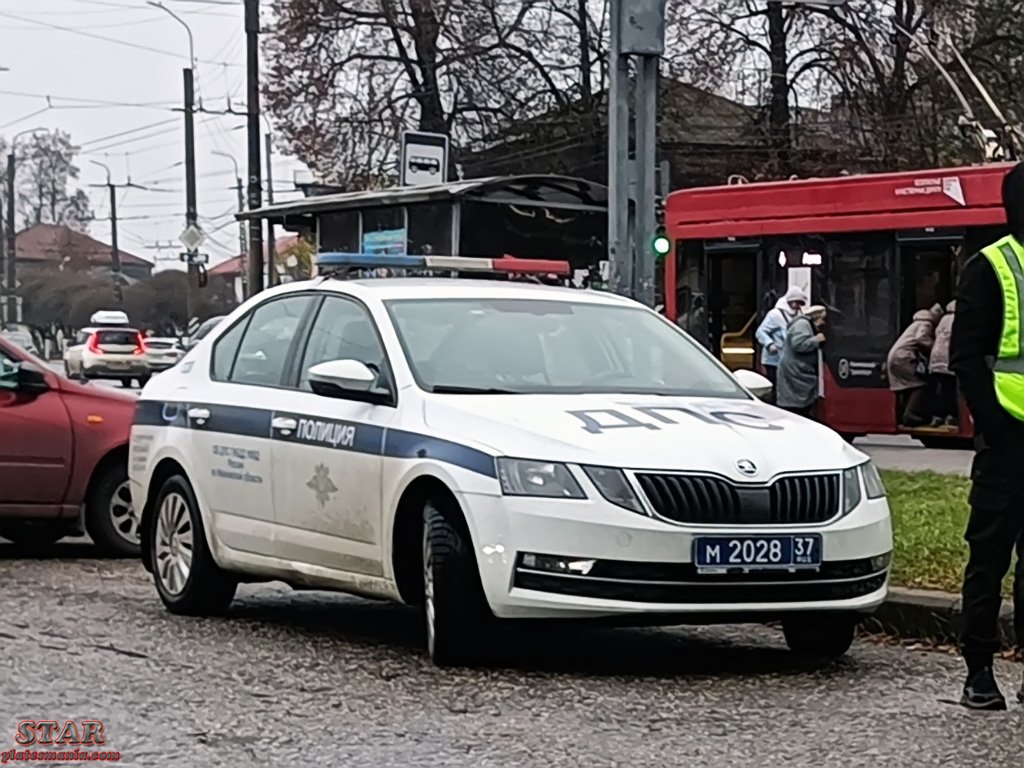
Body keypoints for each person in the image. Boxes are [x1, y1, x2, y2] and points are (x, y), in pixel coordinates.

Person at [949, 162, 1024, 710]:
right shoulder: (991, 266)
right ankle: (980, 671)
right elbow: (967, 357)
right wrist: (993, 424)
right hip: (1007, 443)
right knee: (989, 559)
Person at [886, 303, 944, 427]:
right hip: (904, 357)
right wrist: (935, 347)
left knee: (905, 386)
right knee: (921, 384)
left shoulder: (916, 323)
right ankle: (911, 415)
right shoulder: (926, 323)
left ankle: (903, 415)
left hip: (895, 357)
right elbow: (921, 338)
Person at [776, 305, 827, 419]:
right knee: (795, 407)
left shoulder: (806, 325)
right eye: (822, 319)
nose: (823, 323)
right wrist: (816, 340)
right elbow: (798, 344)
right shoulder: (802, 324)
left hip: (798, 370)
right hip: (795, 371)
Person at [754, 286, 808, 388]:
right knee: (776, 386)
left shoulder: (798, 315)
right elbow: (760, 332)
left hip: (787, 359)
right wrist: (769, 344)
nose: (798, 306)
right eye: (796, 302)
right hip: (773, 360)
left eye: (800, 303)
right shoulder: (775, 315)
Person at [928, 300, 957, 426]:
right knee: (950, 389)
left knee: (939, 389)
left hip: (935, 357)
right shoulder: (958, 319)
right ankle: (950, 416)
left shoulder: (943, 319)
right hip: (948, 359)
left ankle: (936, 416)